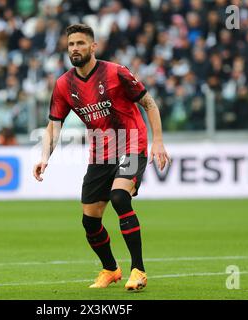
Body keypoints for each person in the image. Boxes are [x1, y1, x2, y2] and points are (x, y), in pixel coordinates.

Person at [33, 24, 170, 291]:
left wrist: (159, 142)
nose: (75, 48)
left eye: (81, 43)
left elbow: (149, 103)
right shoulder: (64, 84)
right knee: (90, 221)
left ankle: (138, 270)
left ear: (93, 47)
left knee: (120, 197)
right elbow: (54, 125)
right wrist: (44, 157)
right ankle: (110, 269)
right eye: (71, 44)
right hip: (100, 154)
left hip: (132, 145)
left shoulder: (116, 72)